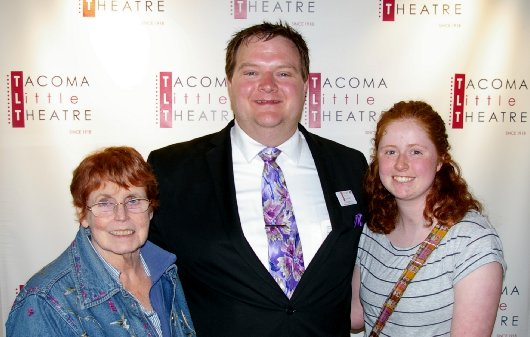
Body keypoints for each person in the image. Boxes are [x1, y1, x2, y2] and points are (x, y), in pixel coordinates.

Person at [147, 21, 368, 337]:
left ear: (306, 84)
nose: (268, 84)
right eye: (251, 72)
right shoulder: (172, 169)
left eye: (284, 73)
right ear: (230, 82)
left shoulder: (350, 165)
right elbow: (136, 275)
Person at [350, 101, 506, 336]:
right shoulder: (373, 230)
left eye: (416, 152)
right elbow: (355, 317)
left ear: (440, 160)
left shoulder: (471, 241)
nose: (401, 164)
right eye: (390, 151)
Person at [6, 147, 195, 337]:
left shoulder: (166, 272)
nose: (121, 216)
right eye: (104, 203)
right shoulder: (44, 301)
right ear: (83, 214)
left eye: (133, 201)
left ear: (151, 210)